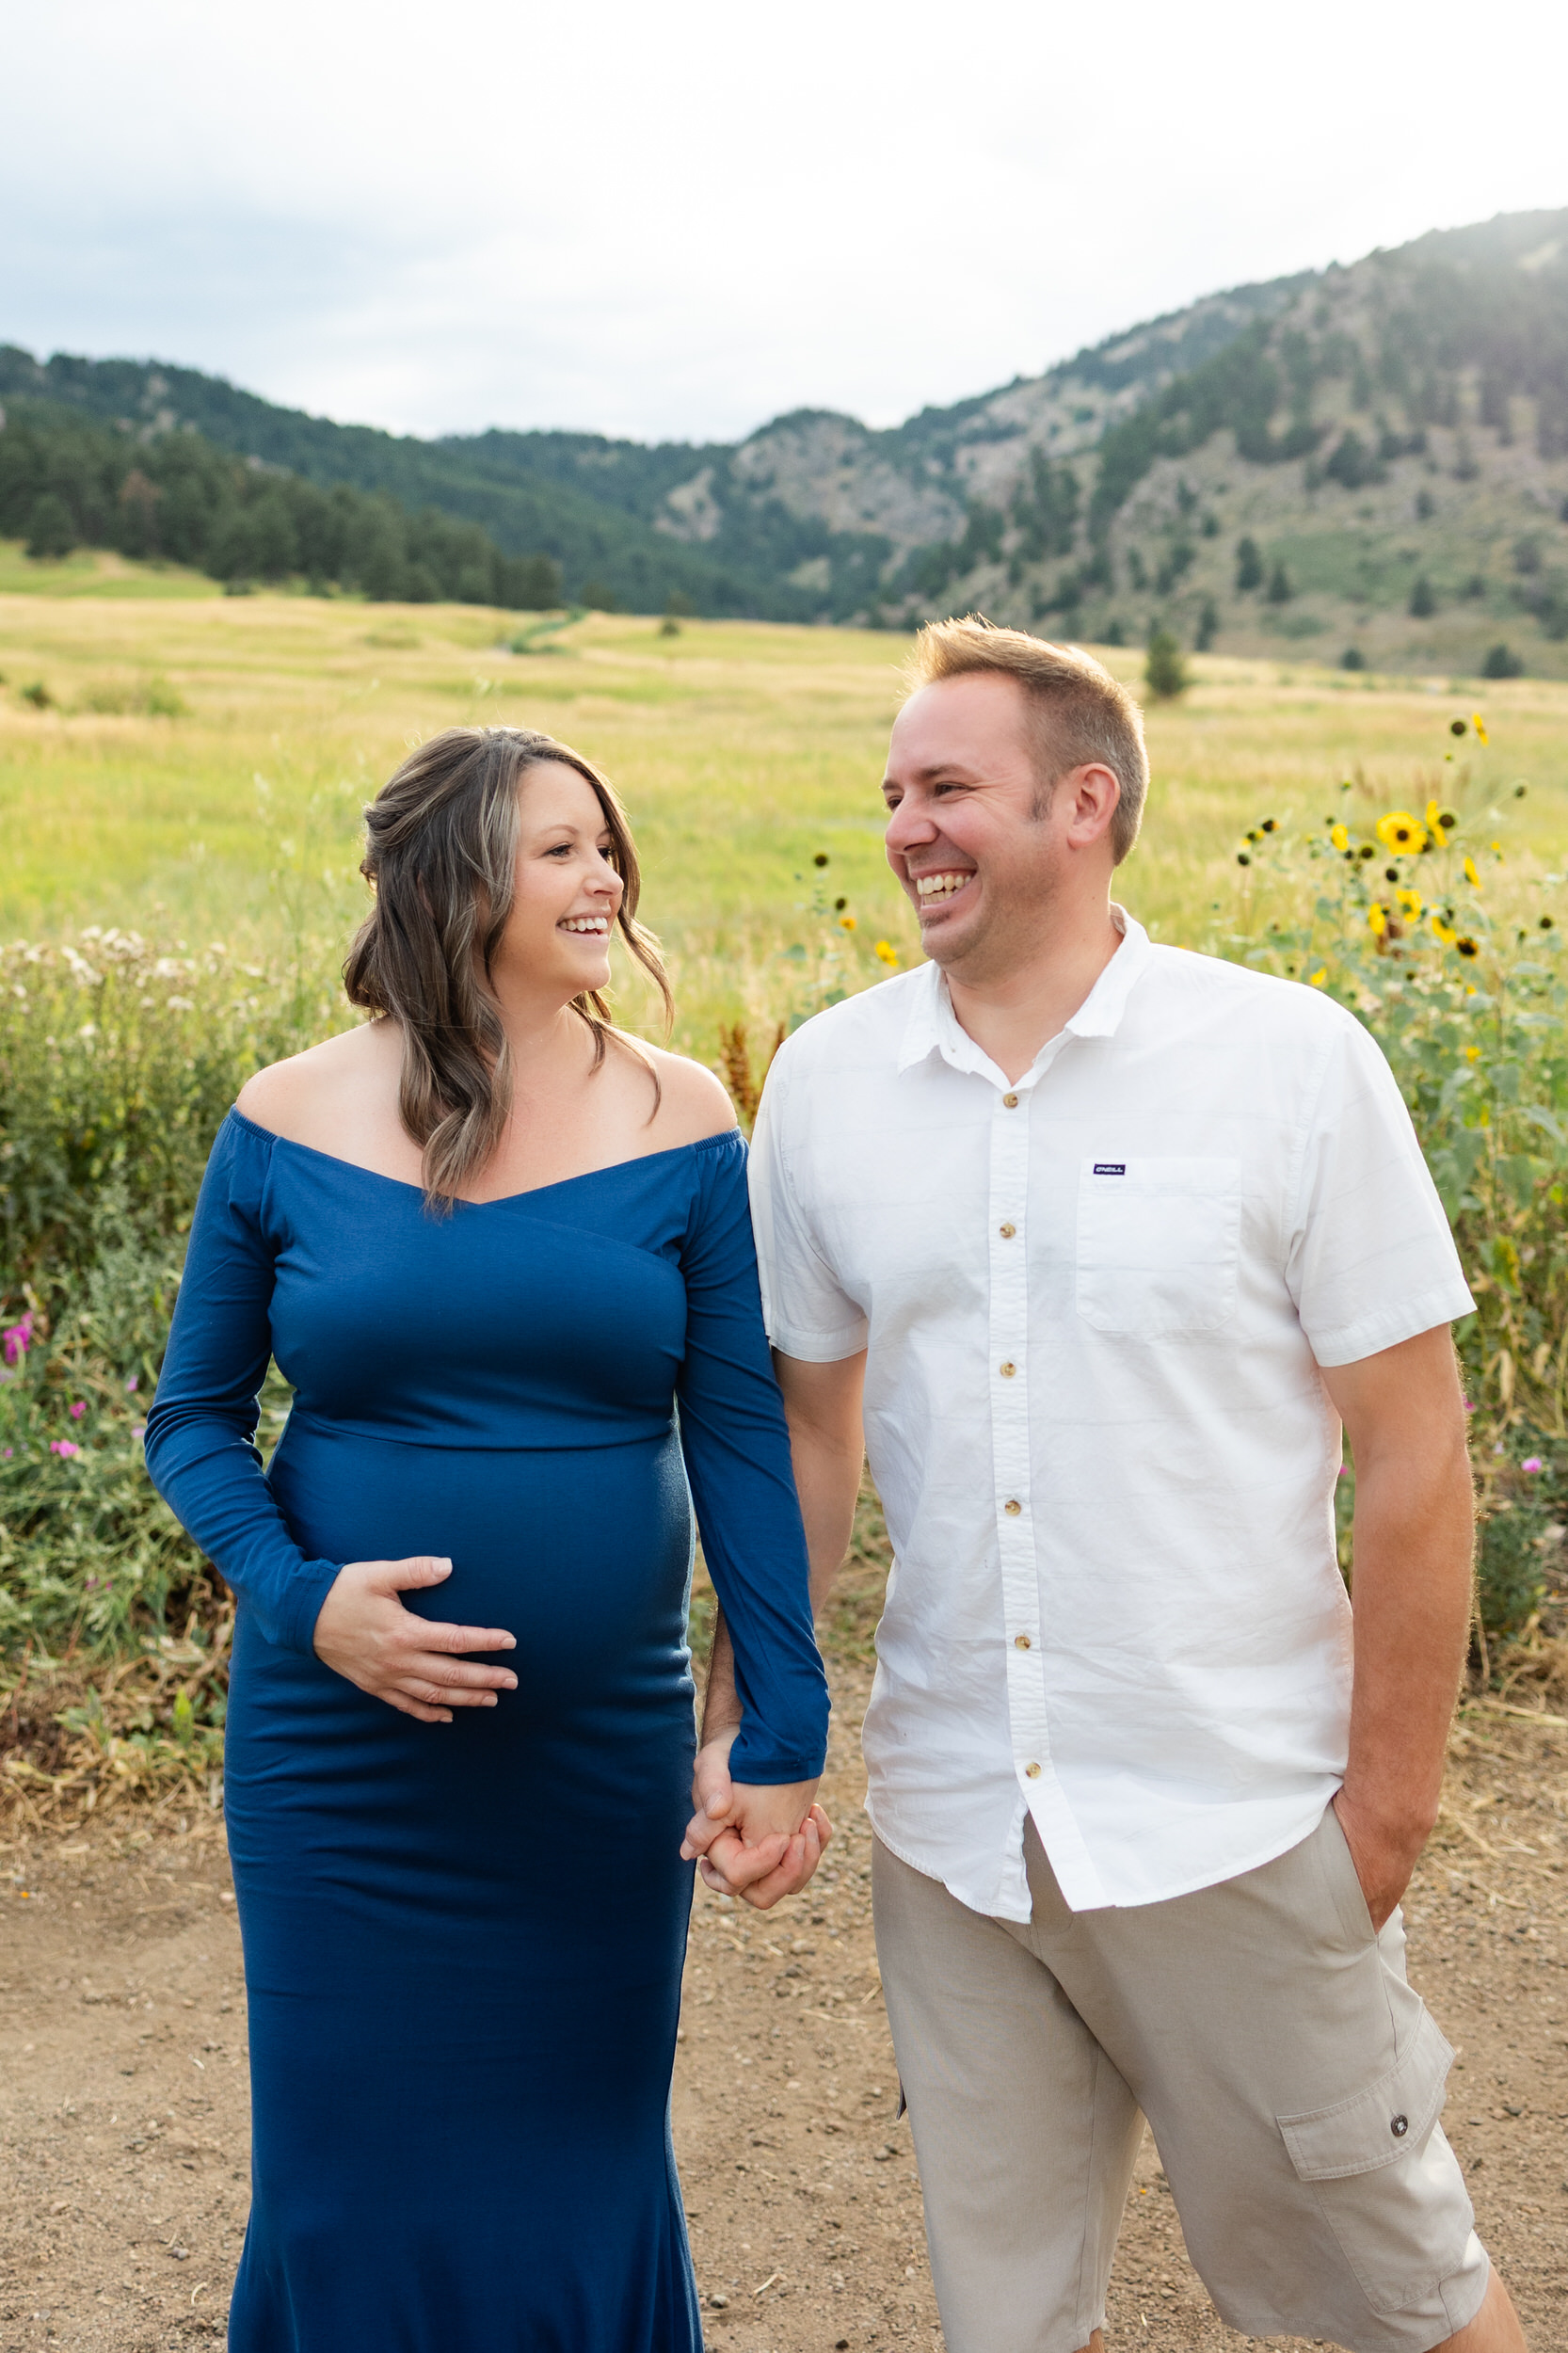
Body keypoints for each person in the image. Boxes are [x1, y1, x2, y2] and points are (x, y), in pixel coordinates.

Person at [688, 620, 1528, 2353]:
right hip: (953, 1833)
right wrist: (755, 1727)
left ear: (1085, 801)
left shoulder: (1287, 1061)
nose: (906, 826)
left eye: (946, 788)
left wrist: (1382, 1815)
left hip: (1233, 1814)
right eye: (891, 792)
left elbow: (1415, 1454)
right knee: (1007, 2324)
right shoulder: (830, 1087)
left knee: (1405, 2301)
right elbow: (809, 1443)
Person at [144, 725, 830, 2353]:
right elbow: (191, 1419)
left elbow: (739, 1432)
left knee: (582, 2160)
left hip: (596, 1756)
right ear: (455, 881)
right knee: (342, 2167)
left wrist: (783, 1725)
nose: (605, 878)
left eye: (607, 846)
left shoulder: (681, 1117)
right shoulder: (288, 1114)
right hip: (338, 1759)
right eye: (559, 849)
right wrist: (307, 1604)